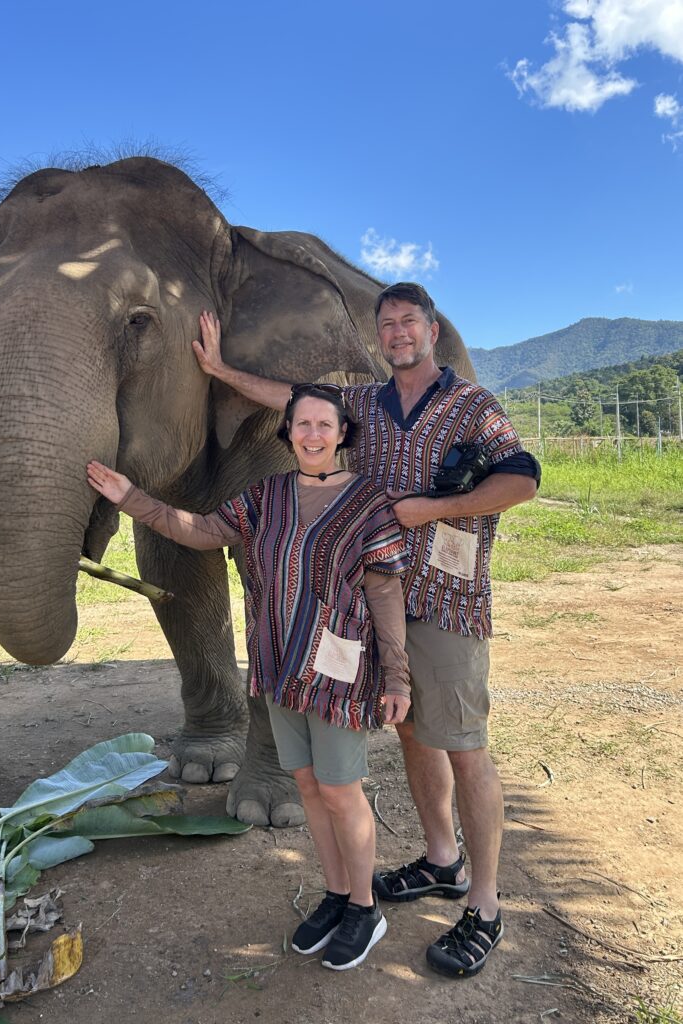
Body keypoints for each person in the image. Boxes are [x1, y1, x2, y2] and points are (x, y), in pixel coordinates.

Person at [191, 287, 540, 978]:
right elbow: (295, 401)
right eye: (387, 324)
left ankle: (485, 904)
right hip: (371, 606)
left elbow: (522, 479)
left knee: (464, 747)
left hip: (444, 602)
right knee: (411, 734)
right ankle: (441, 860)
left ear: (432, 330)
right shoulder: (365, 407)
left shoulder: (471, 404)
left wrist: (430, 508)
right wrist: (222, 371)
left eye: (409, 321)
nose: (398, 332)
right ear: (378, 336)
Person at [87, 384, 413, 972]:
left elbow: (385, 591)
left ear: (343, 434)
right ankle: (336, 893)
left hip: (339, 675)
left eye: (325, 424)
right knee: (308, 785)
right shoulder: (266, 496)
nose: (312, 435)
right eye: (302, 424)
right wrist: (132, 498)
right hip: (280, 667)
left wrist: (397, 676)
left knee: (341, 789)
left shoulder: (370, 504)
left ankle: (366, 908)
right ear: (287, 432)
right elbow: (201, 531)